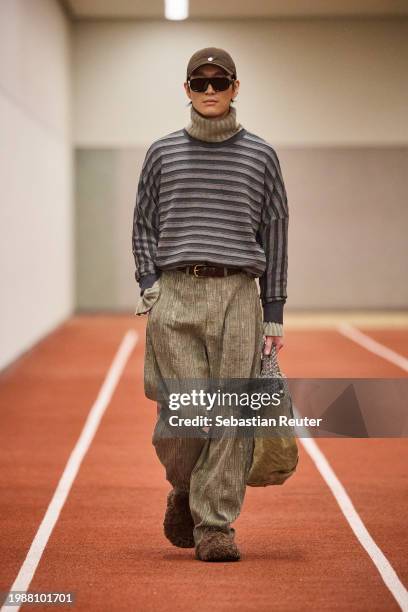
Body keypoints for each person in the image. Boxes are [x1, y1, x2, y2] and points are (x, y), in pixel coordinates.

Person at [131, 47, 289, 562]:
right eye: (200, 83)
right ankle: (184, 486)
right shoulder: (161, 153)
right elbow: (143, 224)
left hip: (240, 294)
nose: (210, 90)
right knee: (183, 414)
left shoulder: (262, 155)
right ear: (187, 91)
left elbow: (277, 233)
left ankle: (216, 525)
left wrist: (275, 310)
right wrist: (148, 280)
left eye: (220, 81)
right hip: (174, 293)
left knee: (233, 414)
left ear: (236, 87)